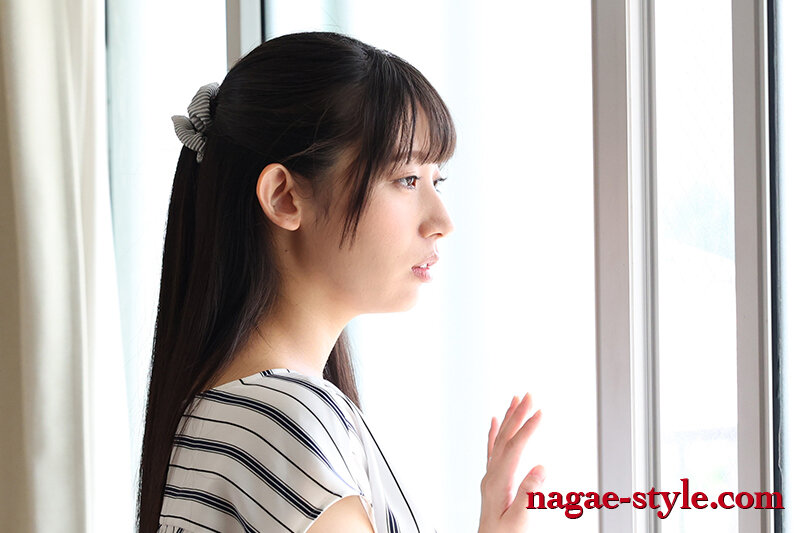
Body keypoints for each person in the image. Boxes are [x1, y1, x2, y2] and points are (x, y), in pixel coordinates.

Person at [137, 31, 545, 533]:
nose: (442, 221)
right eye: (406, 179)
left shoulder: (215, 411)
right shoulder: (290, 424)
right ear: (285, 197)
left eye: (437, 181)